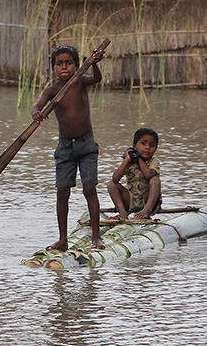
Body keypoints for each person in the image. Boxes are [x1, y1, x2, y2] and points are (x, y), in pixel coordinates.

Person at [31, 43, 107, 251]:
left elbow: (97, 79)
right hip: (65, 148)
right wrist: (36, 112)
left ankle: (96, 238)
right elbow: (37, 106)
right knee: (62, 191)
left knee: (89, 189)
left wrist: (95, 64)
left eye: (69, 63)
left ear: (76, 65)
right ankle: (62, 239)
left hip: (86, 145)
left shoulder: (81, 82)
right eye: (59, 64)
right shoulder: (52, 90)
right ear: (53, 67)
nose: (64, 67)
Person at [107, 127, 162, 220]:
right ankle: (123, 213)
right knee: (111, 184)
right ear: (134, 146)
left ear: (155, 149)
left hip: (147, 200)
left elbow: (148, 174)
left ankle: (146, 211)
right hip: (131, 200)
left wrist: (139, 158)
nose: (147, 147)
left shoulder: (154, 161)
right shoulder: (129, 162)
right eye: (143, 143)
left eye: (151, 145)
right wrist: (127, 159)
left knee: (155, 180)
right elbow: (115, 179)